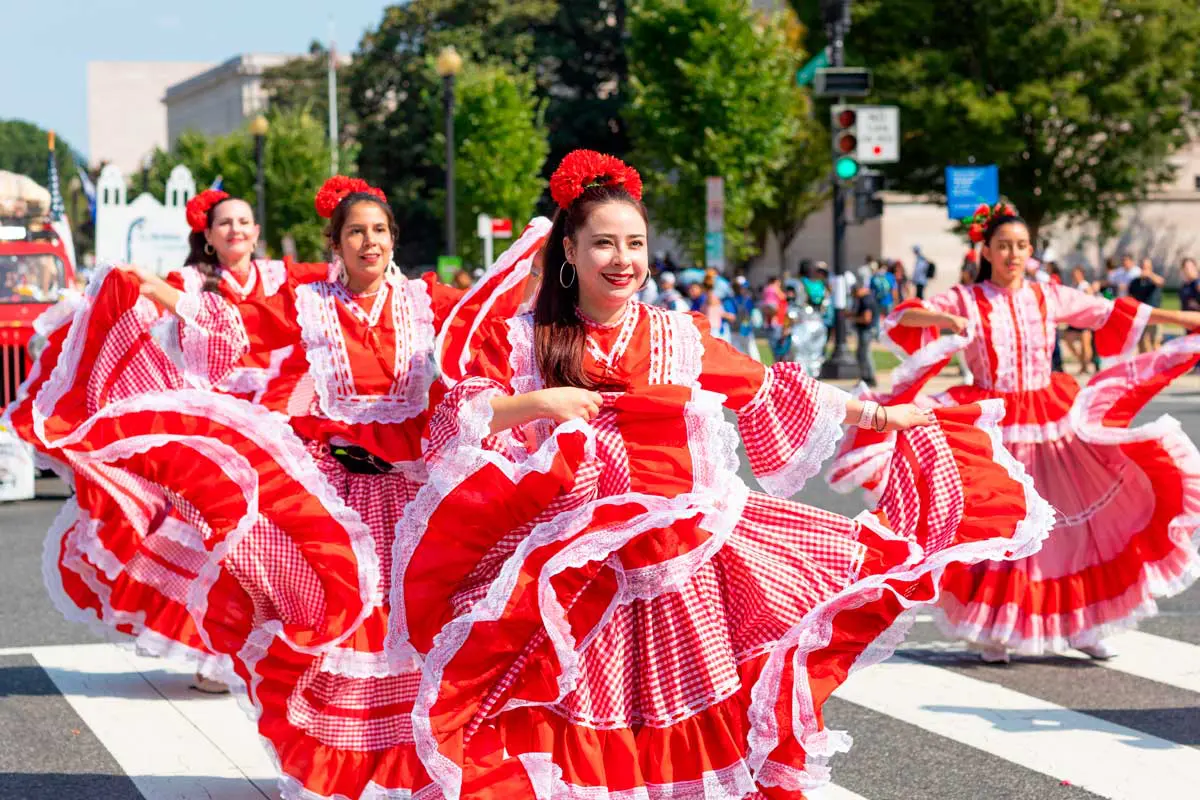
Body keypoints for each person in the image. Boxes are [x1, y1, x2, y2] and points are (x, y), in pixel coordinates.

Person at [387, 151, 1053, 799]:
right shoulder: (527, 339)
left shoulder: (677, 335)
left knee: (700, 727)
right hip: (577, 572)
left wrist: (877, 415)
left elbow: (770, 384)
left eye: (636, 244)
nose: (623, 260)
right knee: (572, 732)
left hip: (684, 565)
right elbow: (457, 415)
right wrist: (542, 402)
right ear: (568, 251)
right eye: (603, 245)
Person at [829, 202, 1200, 664]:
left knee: (1073, 524)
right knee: (1002, 525)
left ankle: (1083, 624)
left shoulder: (1048, 295)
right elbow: (902, 318)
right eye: (1003, 246)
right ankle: (996, 628)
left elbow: (1112, 312)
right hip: (992, 422)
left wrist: (1185, 322)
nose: (1013, 254)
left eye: (1021, 246)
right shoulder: (966, 299)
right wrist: (944, 321)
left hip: (1051, 419)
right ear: (986, 250)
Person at [1062, 265, 1096, 374]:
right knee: (1068, 339)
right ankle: (1082, 362)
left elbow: (1091, 299)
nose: (1075, 276)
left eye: (1077, 273)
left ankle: (1085, 366)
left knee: (1085, 343)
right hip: (1075, 318)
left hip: (1084, 318)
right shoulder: (1073, 286)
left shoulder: (1085, 286)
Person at [1127, 257, 1165, 352]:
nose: (1145, 269)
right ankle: (1145, 364)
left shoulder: (1154, 280)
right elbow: (1130, 297)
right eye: (1143, 267)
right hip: (1141, 315)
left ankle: (1159, 364)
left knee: (1155, 342)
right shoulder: (1135, 282)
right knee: (1142, 343)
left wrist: (1150, 275)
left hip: (1155, 314)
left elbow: (1161, 282)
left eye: (1147, 267)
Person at [852, 280, 878, 386]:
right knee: (862, 354)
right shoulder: (869, 297)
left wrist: (854, 319)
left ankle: (869, 377)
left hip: (866, 330)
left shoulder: (865, 299)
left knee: (864, 354)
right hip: (868, 330)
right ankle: (866, 377)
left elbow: (866, 318)